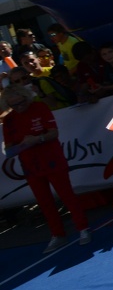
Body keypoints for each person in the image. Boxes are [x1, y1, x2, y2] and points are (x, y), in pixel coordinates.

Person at [3, 84, 91, 253]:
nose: (18, 107)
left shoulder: (39, 107)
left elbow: (53, 132)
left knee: (67, 195)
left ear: (26, 98)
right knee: (44, 202)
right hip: (30, 166)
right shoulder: (9, 120)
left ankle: (83, 227)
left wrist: (38, 139)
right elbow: (9, 151)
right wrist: (23, 145)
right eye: (13, 105)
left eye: (21, 102)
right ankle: (57, 234)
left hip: (52, 160)